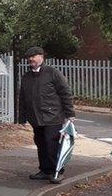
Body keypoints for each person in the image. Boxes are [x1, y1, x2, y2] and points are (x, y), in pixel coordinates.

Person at [19, 47, 75, 183]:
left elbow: (65, 93)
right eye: (29, 57)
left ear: (41, 57)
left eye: (34, 56)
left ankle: (58, 171)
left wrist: (70, 113)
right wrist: (21, 117)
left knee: (52, 145)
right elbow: (22, 97)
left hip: (52, 117)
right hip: (35, 118)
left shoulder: (52, 73)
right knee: (41, 143)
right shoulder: (26, 77)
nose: (31, 59)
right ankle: (45, 170)